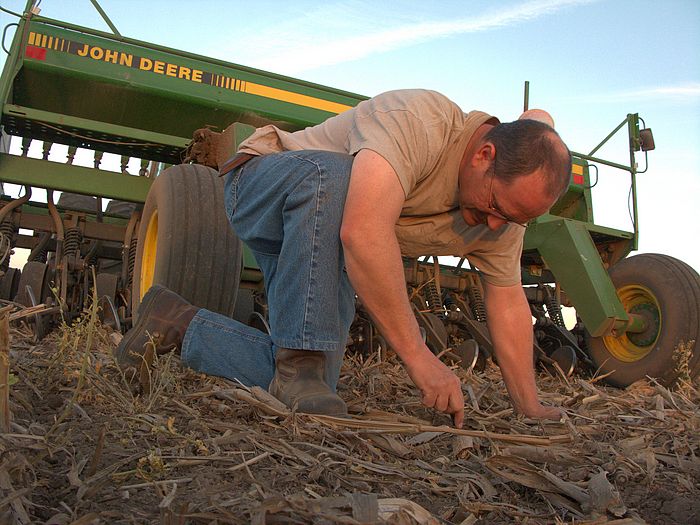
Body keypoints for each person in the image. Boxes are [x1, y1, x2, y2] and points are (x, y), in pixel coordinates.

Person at [115, 89, 571, 428]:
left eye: (510, 220)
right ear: (484, 155)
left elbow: (508, 303)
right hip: (263, 185)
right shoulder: (420, 120)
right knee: (337, 177)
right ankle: (300, 361)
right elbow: (362, 232)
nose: (495, 226)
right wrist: (420, 357)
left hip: (318, 242)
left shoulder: (502, 215)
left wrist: (528, 405)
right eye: (494, 206)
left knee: (312, 387)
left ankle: (174, 322)